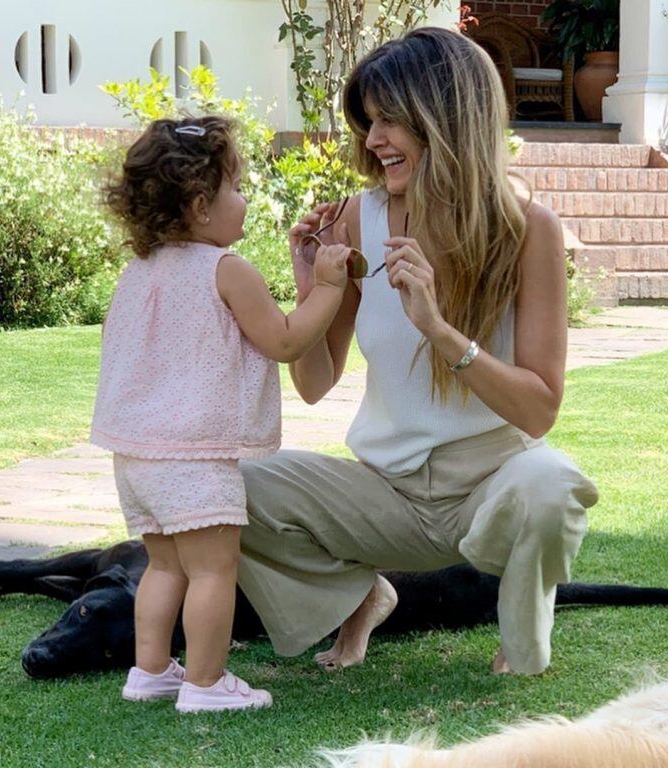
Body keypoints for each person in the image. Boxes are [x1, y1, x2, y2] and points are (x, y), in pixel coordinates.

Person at [236, 27, 599, 677]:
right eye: (368, 122)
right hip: (385, 493)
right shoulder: (355, 219)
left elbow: (540, 412)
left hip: (491, 486)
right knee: (226, 488)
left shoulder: (528, 230)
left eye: (390, 121)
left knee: (555, 485)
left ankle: (522, 644)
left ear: (448, 119)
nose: (373, 141)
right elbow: (316, 383)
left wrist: (439, 329)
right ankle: (360, 596)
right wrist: (308, 284)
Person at [90, 115, 349, 712]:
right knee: (213, 569)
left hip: (137, 456)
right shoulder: (227, 271)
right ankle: (206, 684)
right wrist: (329, 289)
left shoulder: (139, 273)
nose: (246, 198)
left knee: (164, 565)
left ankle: (150, 670)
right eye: (236, 186)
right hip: (194, 456)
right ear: (202, 206)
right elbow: (284, 341)